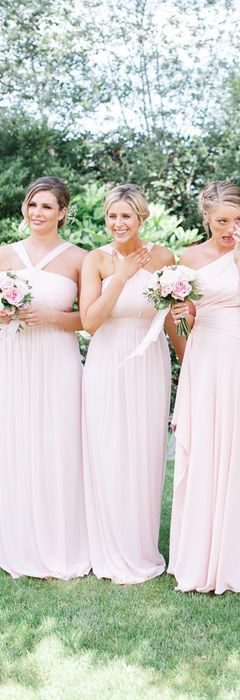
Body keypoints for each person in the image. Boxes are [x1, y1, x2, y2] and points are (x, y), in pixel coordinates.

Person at [168, 180, 240, 594]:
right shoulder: (189, 257)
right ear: (206, 219)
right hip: (207, 356)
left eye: (238, 219)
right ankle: (200, 553)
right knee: (208, 446)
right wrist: (184, 319)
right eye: (221, 221)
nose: (231, 227)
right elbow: (184, 321)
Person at [80, 184, 181, 584]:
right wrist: (120, 278)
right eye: (112, 216)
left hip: (149, 360)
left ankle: (140, 546)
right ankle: (106, 547)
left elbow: (171, 319)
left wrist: (189, 364)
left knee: (144, 450)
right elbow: (89, 322)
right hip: (106, 361)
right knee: (108, 449)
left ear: (142, 217)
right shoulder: (95, 261)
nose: (118, 223)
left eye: (126, 216)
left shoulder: (163, 258)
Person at [0, 176, 90, 579]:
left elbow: (90, 320)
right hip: (14, 356)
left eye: (47, 206)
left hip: (57, 358)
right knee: (15, 440)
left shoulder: (79, 258)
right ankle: (16, 538)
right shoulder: (4, 254)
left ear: (63, 213)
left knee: (58, 443)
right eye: (33, 205)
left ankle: (60, 542)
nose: (38, 213)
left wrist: (53, 316)